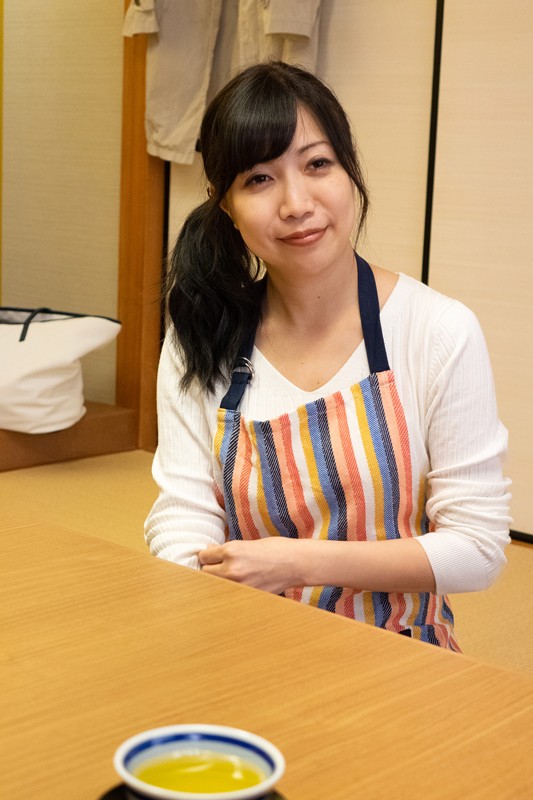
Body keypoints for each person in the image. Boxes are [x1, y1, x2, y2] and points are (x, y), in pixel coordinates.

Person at [145, 61, 511, 650]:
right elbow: (182, 516)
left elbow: (477, 548)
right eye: (259, 179)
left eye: (317, 164)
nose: (296, 203)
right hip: (244, 640)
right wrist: (198, 602)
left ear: (349, 171)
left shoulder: (439, 330)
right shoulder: (202, 337)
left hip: (399, 650)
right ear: (225, 205)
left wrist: (296, 562)